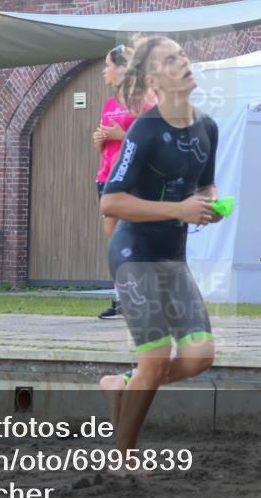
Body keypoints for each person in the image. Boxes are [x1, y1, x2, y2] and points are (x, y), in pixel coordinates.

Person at [97, 35, 222, 461]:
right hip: (133, 254)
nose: (184, 62)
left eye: (183, 55)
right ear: (154, 79)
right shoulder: (146, 130)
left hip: (172, 256)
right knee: (156, 355)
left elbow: (205, 182)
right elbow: (110, 201)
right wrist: (179, 208)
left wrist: (209, 204)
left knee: (200, 356)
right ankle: (122, 459)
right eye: (171, 60)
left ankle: (122, 385)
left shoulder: (207, 127)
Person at [92, 45, 155, 320]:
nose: (104, 71)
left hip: (133, 178)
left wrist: (122, 133)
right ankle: (122, 299)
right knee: (115, 242)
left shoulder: (145, 101)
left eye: (107, 65)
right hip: (107, 177)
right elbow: (108, 149)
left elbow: (153, 138)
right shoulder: (108, 104)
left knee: (137, 240)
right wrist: (101, 143)